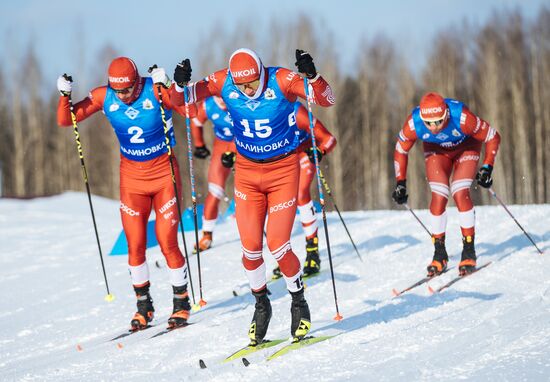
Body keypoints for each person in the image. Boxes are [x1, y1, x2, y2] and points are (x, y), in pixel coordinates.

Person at [171, 48, 335, 344]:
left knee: (278, 245)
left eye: (252, 84)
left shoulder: (281, 80)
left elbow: (327, 99)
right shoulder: (224, 81)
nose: (247, 91)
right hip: (246, 173)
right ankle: (261, 304)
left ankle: (298, 300)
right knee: (250, 250)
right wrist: (179, 85)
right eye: (241, 85)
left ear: (261, 73)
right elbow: (179, 103)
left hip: (283, 171)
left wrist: (313, 76)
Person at [57, 57, 192, 331]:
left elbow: (187, 110)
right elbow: (65, 120)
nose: (123, 96)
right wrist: (64, 96)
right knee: (135, 245)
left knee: (167, 241)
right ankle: (144, 306)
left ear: (136, 82)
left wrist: (168, 84)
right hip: (132, 180)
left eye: (128, 90)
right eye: (118, 91)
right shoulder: (103, 96)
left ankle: (181, 302)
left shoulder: (153, 90)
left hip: (164, 174)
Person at [392, 92, 501, 276]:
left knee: (459, 190)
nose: (434, 128)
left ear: (446, 115)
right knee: (439, 194)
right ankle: (439, 253)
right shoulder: (414, 123)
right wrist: (400, 182)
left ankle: (468, 250)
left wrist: (487, 166)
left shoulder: (463, 117)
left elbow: (492, 136)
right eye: (429, 123)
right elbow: (400, 149)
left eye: (439, 121)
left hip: (466, 147)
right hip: (436, 151)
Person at [271, 101, 337, 279]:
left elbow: (329, 139)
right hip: (282, 158)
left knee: (300, 195)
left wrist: (320, 150)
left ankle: (312, 252)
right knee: (280, 202)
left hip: (303, 153)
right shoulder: (263, 110)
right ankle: (284, 256)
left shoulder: (298, 112)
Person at [189, 96, 236, 253]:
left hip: (244, 144)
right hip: (221, 145)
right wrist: (199, 144)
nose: (222, 101)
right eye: (217, 97)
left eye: (224, 97)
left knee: (248, 188)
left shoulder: (237, 100)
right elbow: (196, 122)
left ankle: (257, 230)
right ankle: (206, 235)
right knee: (215, 190)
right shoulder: (208, 105)